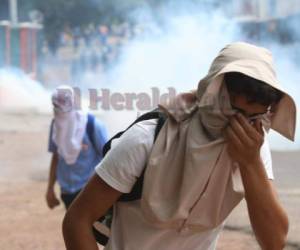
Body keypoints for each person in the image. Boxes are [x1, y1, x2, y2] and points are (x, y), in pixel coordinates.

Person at [62, 42, 296, 250]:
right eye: (234, 111)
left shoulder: (252, 145)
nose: (241, 125)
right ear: (212, 93)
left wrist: (250, 162)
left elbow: (274, 240)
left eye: (252, 116)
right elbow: (77, 221)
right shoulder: (147, 139)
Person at [46, 86, 108, 210]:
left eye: (64, 108)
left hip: (89, 191)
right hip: (67, 192)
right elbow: (56, 156)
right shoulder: (56, 125)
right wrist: (50, 188)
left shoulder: (93, 125)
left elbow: (107, 158)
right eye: (57, 108)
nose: (61, 112)